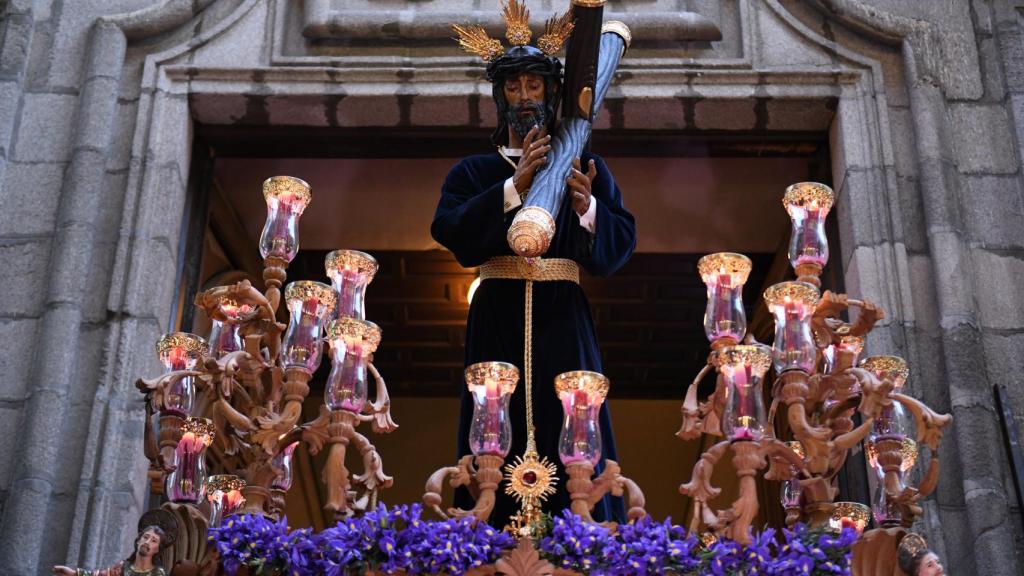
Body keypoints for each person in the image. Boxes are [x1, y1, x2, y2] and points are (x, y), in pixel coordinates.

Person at [433, 12, 636, 528]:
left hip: (564, 316)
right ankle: (490, 531)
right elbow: (451, 232)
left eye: (534, 85)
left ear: (551, 92)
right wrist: (512, 189)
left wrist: (588, 208)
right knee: (491, 425)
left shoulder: (583, 166)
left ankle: (582, 529)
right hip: (496, 316)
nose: (524, 97)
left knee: (575, 419)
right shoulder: (473, 171)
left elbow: (617, 250)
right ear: (500, 96)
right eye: (514, 87)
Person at [53, 525, 167, 576]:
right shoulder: (123, 567)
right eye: (145, 537)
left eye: (154, 541)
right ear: (138, 540)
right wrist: (73, 573)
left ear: (157, 549)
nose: (147, 542)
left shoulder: (158, 573)